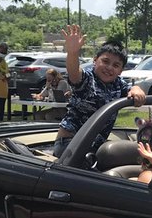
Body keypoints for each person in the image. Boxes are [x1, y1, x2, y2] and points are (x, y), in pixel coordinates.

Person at [53, 25, 146, 156]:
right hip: (69, 144)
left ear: (121, 70)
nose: (109, 67)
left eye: (116, 65)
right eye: (105, 61)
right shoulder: (88, 79)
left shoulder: (118, 84)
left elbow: (132, 89)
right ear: (95, 60)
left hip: (95, 146)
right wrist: (73, 53)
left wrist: (137, 89)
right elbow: (74, 74)